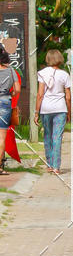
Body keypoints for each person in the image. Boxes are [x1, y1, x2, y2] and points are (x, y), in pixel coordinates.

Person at [35, 50, 71, 174]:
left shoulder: (42, 73)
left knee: (47, 136)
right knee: (57, 137)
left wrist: (36, 112)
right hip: (60, 108)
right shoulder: (65, 75)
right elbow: (68, 96)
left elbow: (40, 94)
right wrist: (69, 112)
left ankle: (49, 164)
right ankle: (56, 167)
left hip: (45, 108)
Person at [0, 46, 20, 175]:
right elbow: (17, 89)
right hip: (5, 102)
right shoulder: (11, 70)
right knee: (1, 137)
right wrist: (11, 95)